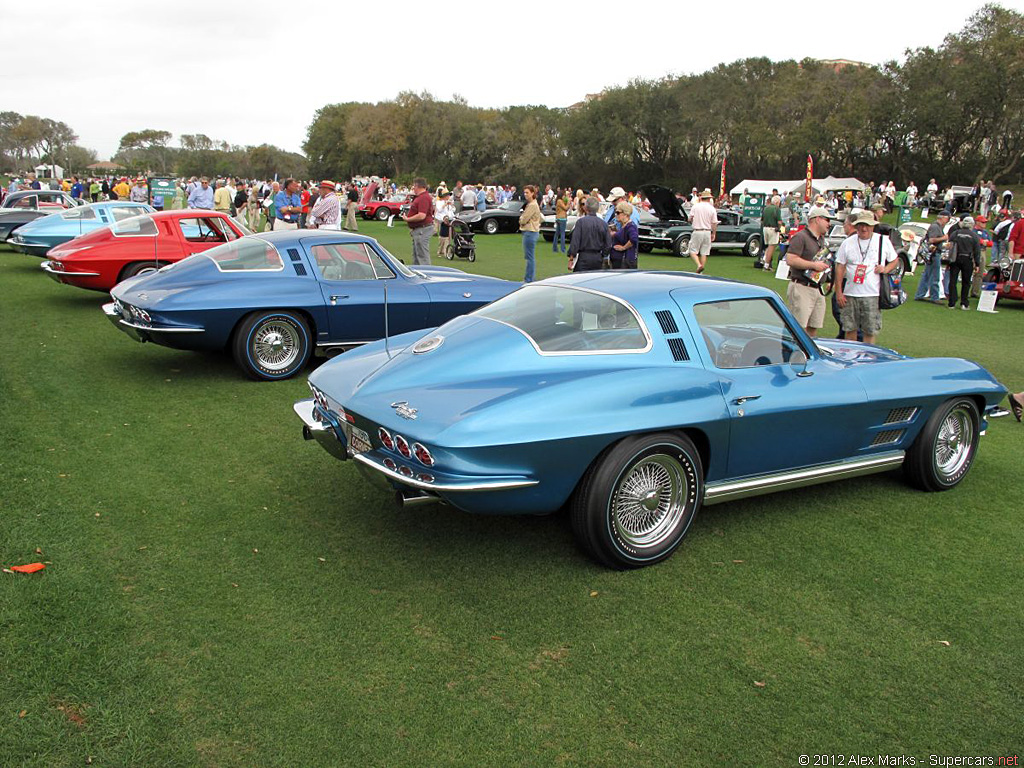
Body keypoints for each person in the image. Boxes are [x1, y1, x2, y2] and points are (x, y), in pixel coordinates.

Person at [834, 211, 899, 345]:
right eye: (861, 225)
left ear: (873, 226)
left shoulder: (882, 241)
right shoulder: (847, 242)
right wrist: (839, 292)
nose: (864, 229)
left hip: (872, 294)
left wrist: (885, 269)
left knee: (870, 330)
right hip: (850, 294)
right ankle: (851, 358)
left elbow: (894, 260)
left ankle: (867, 361)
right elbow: (839, 267)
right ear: (856, 226)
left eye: (867, 225)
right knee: (849, 329)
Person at [784, 205, 832, 337]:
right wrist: (813, 265)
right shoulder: (801, 237)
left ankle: (811, 356)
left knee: (814, 327)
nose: (829, 223)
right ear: (817, 219)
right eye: (827, 220)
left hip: (817, 288)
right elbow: (790, 259)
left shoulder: (821, 240)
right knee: (798, 329)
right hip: (801, 287)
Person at [567, 196, 611, 272]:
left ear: (586, 208)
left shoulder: (581, 222)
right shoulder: (603, 224)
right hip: (597, 257)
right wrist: (604, 255)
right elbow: (608, 244)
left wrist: (571, 258)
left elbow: (575, 242)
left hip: (584, 257)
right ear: (597, 209)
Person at [914, 210, 949, 302]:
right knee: (934, 276)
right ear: (943, 218)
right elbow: (932, 240)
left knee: (927, 275)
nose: (948, 220)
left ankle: (920, 294)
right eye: (947, 218)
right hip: (934, 253)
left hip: (932, 254)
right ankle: (934, 297)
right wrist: (944, 238)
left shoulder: (936, 226)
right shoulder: (935, 227)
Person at [947, 217, 980, 310]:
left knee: (953, 281)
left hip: (955, 258)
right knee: (966, 282)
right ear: (972, 225)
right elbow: (977, 251)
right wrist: (977, 264)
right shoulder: (974, 235)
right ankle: (964, 303)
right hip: (967, 259)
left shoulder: (955, 233)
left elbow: (950, 245)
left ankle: (951, 303)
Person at [404, 177, 433, 266]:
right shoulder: (421, 197)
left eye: (414, 186)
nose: (413, 188)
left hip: (422, 229)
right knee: (417, 256)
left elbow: (421, 215)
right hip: (419, 229)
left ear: (417, 186)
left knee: (422, 256)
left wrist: (408, 219)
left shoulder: (423, 198)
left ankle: (426, 274)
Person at [687, 189, 717, 274]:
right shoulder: (712, 209)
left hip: (697, 230)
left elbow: (690, 218)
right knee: (704, 252)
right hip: (707, 231)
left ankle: (699, 265)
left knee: (693, 251)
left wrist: (692, 220)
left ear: (701, 198)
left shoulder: (695, 206)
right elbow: (714, 223)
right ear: (709, 199)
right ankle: (701, 271)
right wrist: (713, 233)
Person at [519, 185, 541, 282]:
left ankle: (529, 279)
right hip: (531, 232)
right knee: (529, 256)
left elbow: (523, 220)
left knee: (529, 257)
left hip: (530, 232)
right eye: (524, 193)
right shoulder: (532, 204)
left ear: (532, 193)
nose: (525, 195)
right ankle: (530, 277)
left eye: (527, 192)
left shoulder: (532, 205)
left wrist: (521, 219)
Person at [610, 202, 638, 269]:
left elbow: (634, 239)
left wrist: (624, 247)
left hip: (624, 262)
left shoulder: (630, 226)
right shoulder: (624, 226)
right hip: (619, 262)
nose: (616, 215)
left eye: (618, 213)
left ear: (626, 214)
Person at [759, 195, 783, 271]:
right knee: (771, 247)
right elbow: (779, 221)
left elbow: (762, 220)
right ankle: (766, 265)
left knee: (768, 247)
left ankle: (765, 261)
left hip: (765, 228)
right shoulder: (777, 209)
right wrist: (779, 228)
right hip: (773, 229)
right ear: (777, 202)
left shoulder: (766, 208)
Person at [553, 188, 569, 253]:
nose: (565, 197)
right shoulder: (559, 201)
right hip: (562, 219)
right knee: (562, 234)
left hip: (559, 218)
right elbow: (565, 208)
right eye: (564, 195)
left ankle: (555, 248)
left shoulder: (559, 201)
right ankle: (563, 249)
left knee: (557, 234)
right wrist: (568, 203)